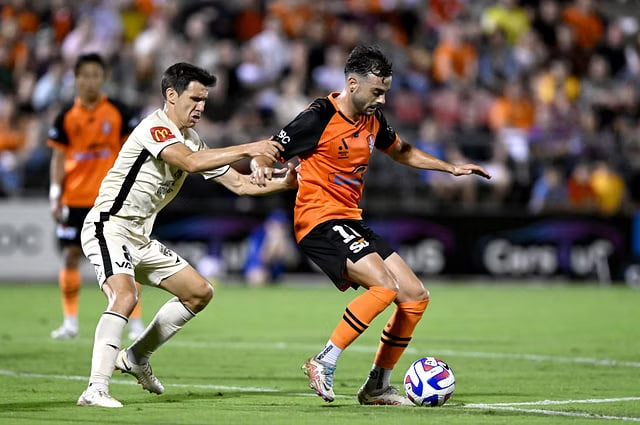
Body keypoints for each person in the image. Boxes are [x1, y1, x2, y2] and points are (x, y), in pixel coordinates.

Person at [251, 45, 490, 405]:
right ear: (351, 84)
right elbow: (271, 148)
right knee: (384, 287)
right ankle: (324, 360)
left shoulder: (371, 120)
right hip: (318, 219)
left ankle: (377, 385)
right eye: (376, 91)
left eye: (385, 92)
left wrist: (450, 168)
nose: (381, 99)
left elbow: (402, 150)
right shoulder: (319, 115)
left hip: (350, 219)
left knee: (414, 296)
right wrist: (258, 163)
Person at [76, 62, 295, 408]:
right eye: (195, 98)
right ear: (171, 95)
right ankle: (96, 388)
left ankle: (135, 358)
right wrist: (252, 147)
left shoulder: (192, 140)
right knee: (125, 295)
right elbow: (190, 163)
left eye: (205, 100)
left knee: (198, 292)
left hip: (140, 239)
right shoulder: (156, 128)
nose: (201, 107)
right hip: (109, 225)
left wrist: (285, 182)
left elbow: (238, 184)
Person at [47, 53, 145, 340]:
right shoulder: (65, 116)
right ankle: (70, 323)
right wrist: (55, 194)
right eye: (85, 75)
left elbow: (134, 154)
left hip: (111, 198)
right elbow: (58, 157)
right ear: (76, 78)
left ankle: (136, 322)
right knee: (70, 257)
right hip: (75, 199)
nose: (90, 81)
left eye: (96, 75)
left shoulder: (120, 112)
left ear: (104, 78)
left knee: (126, 260)